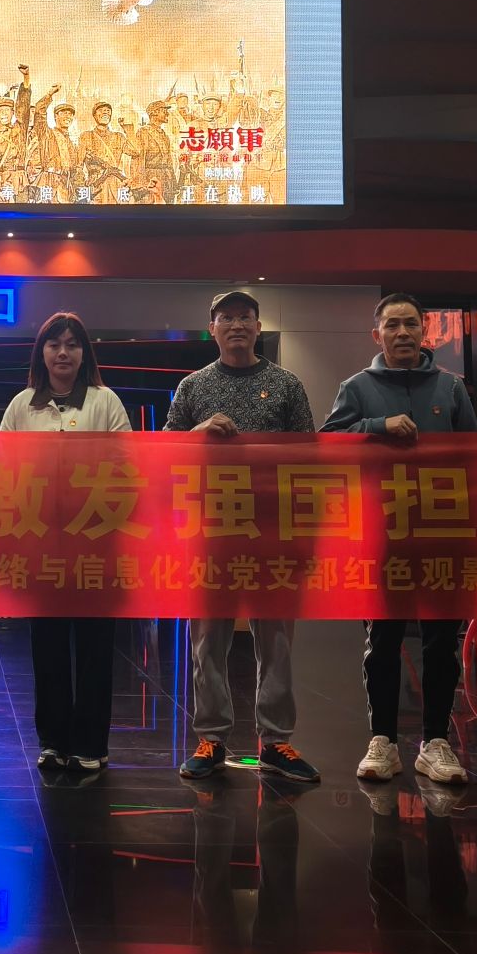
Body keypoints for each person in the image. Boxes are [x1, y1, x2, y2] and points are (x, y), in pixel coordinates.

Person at [322, 292, 477, 787]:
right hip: (380, 534)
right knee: (383, 641)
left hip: (441, 533)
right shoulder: (356, 387)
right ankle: (383, 741)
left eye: (411, 324)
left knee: (441, 643)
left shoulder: (451, 388)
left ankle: (436, 742)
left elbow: (475, 456)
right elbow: (329, 443)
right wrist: (376, 427)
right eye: (393, 325)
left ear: (424, 331)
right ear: (378, 335)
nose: (403, 333)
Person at [169, 289, 320, 784]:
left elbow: (309, 454)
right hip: (211, 530)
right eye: (227, 317)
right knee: (207, 639)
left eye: (245, 317)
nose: (236, 325)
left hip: (273, 532)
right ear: (212, 327)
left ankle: (276, 741)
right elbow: (166, 451)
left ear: (258, 327)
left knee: (275, 640)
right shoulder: (193, 386)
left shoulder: (286, 385)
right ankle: (211, 738)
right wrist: (198, 433)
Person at [0, 312, 131, 775]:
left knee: (96, 646)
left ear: (84, 353)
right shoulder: (22, 406)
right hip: (42, 544)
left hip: (95, 543)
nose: (62, 352)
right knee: (47, 645)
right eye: (54, 344)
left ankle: (91, 744)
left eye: (72, 344)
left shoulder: (105, 400)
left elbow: (126, 464)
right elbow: (2, 470)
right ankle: (53, 741)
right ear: (41, 352)